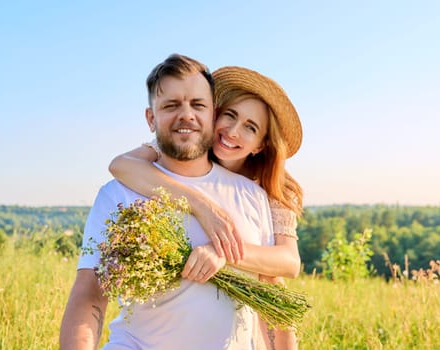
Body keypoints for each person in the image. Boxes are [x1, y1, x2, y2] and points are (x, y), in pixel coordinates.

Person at [60, 54, 275, 349]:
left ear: (213, 113)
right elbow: (90, 294)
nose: (186, 115)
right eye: (171, 105)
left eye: (197, 105)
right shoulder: (118, 194)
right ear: (151, 118)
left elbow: (270, 297)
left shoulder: (252, 196)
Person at [108, 66, 304, 349]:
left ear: (261, 145)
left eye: (250, 127)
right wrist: (200, 205)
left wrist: (222, 251)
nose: (233, 132)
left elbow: (288, 262)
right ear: (216, 114)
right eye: (230, 116)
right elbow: (121, 165)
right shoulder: (185, 151)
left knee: (271, 282)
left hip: (244, 308)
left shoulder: (269, 190)